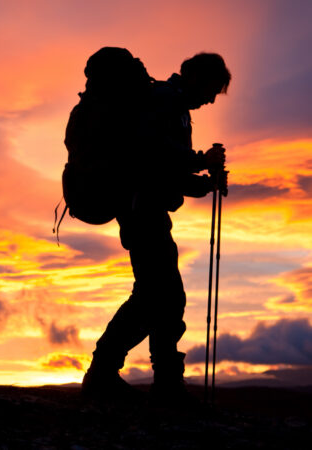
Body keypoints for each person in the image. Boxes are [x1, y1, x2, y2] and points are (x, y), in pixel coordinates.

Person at [81, 52, 231, 404]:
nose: (211, 99)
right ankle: (109, 373)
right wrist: (200, 161)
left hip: (146, 209)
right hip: (140, 209)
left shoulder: (174, 108)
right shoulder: (163, 100)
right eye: (212, 89)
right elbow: (151, 153)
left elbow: (170, 174)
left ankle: (161, 383)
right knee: (155, 296)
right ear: (194, 77)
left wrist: (204, 182)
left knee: (162, 297)